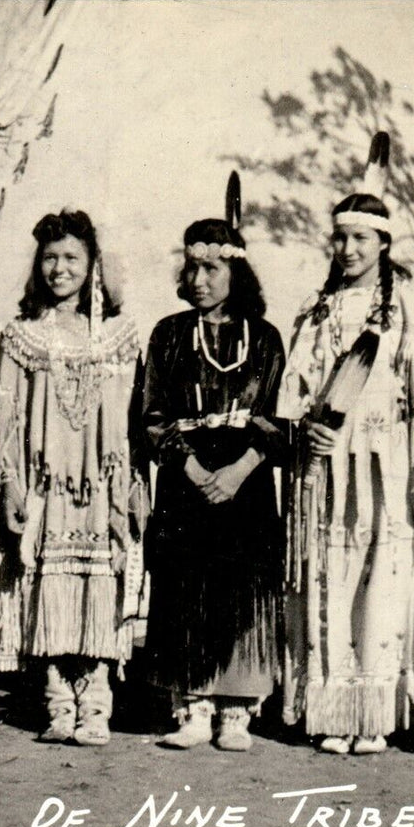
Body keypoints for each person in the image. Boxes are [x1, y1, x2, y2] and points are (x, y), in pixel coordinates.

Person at [277, 192, 414, 755]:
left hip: (386, 457)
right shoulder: (316, 308)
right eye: (341, 238)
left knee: (383, 573)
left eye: (361, 239)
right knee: (331, 569)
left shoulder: (409, 307)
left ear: (382, 244)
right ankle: (332, 709)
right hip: (327, 462)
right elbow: (293, 393)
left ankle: (373, 712)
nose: (348, 249)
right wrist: (308, 431)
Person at [0, 209, 147, 747]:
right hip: (46, 486)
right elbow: (6, 420)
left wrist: (131, 486)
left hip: (102, 486)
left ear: (92, 266)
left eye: (72, 258)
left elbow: (132, 419)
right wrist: (11, 484)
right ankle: (58, 703)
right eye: (50, 258)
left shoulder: (118, 336)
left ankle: (97, 705)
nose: (60, 269)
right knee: (48, 593)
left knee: (100, 591)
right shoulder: (22, 336)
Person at [140, 206, 287, 752]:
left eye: (212, 270)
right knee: (187, 584)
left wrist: (240, 470)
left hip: (245, 480)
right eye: (192, 269)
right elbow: (152, 416)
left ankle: (237, 710)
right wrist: (197, 469)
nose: (199, 281)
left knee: (242, 588)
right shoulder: (170, 334)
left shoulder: (266, 339)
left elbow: (276, 417)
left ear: (236, 273)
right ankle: (193, 706)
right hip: (188, 477)